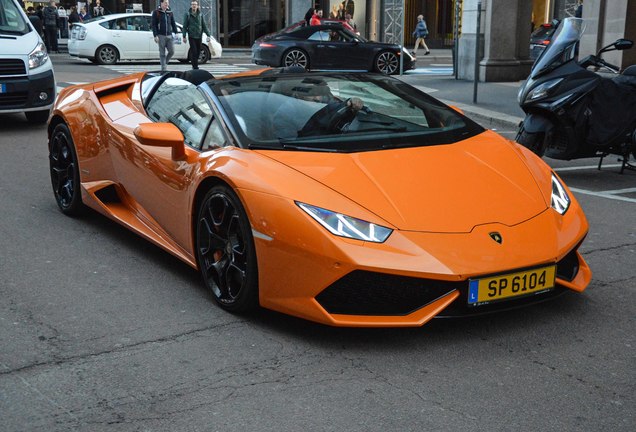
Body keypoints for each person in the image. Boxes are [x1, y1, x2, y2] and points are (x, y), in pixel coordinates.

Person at [182, 1, 210, 70]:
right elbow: (185, 26)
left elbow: (204, 25)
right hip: (191, 36)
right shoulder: (187, 14)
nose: (194, 6)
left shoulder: (200, 15)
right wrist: (184, 36)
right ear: (191, 6)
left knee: (198, 52)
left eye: (195, 4)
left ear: (197, 6)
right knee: (194, 51)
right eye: (192, 4)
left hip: (199, 36)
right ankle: (195, 67)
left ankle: (194, 65)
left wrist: (208, 35)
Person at [151, 0, 178, 72]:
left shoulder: (170, 12)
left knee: (172, 51)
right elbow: (154, 25)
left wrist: (176, 32)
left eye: (168, 3)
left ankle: (164, 62)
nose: (167, 4)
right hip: (161, 35)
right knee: (162, 53)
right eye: (166, 3)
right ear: (161, 3)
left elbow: (173, 22)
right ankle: (164, 69)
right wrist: (155, 35)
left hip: (169, 35)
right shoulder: (156, 12)